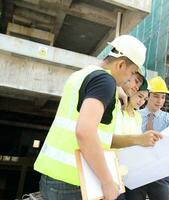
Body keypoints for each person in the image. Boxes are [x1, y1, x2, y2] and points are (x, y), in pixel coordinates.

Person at [34, 35, 147, 200]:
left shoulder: (81, 75)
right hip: (76, 181)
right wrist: (107, 181)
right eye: (131, 73)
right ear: (121, 64)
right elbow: (85, 132)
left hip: (52, 177)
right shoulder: (105, 81)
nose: (129, 79)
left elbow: (100, 137)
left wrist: (138, 139)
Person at [125, 76, 169, 200]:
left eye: (163, 97)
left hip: (158, 171)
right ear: (148, 96)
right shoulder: (135, 115)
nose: (160, 100)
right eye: (156, 96)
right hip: (136, 170)